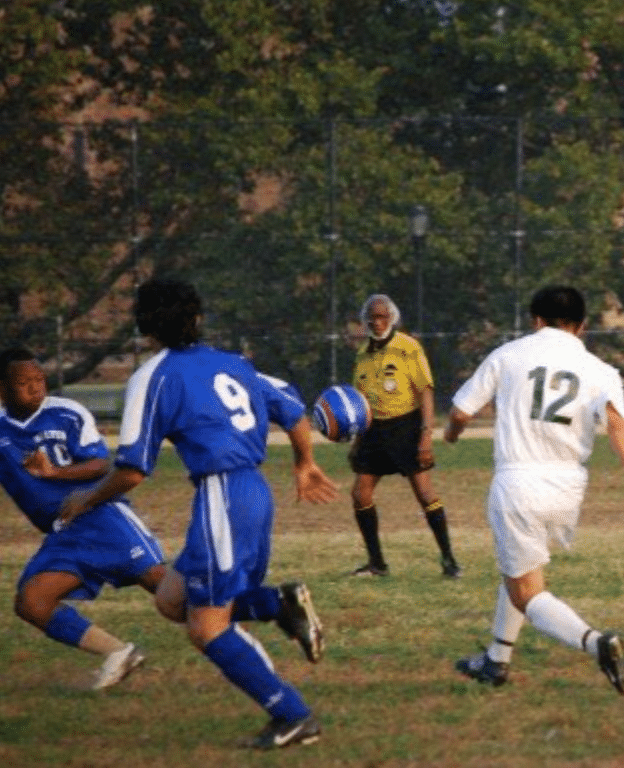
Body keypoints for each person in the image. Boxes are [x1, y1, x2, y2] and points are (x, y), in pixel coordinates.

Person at [56, 278, 339, 750]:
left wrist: (85, 499)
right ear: (198, 317)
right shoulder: (234, 362)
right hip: (251, 492)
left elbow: (132, 470)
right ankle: (279, 605)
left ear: (144, 327)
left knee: (206, 627)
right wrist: (304, 461)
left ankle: (293, 715)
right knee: (171, 599)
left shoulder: (153, 376)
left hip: (222, 499)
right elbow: (291, 406)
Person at [443, 285, 624, 694]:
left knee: (527, 593)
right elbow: (618, 427)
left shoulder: (508, 354)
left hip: (518, 482)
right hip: (567, 486)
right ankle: (496, 660)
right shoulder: (600, 369)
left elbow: (460, 411)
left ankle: (597, 643)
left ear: (536, 320)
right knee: (519, 568)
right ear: (582, 326)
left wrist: (451, 434)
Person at [0, 346, 166, 690]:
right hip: (63, 532)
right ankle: (119, 653)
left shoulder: (66, 414)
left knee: (166, 589)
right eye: (24, 382)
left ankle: (250, 616)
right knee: (32, 602)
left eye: (39, 379)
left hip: (100, 516)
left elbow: (102, 464)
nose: (36, 387)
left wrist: (55, 472)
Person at [347, 293, 460, 578]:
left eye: (382, 316)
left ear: (392, 318)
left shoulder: (408, 347)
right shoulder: (362, 353)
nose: (377, 322)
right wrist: (357, 442)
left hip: (406, 427)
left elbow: (425, 391)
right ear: (365, 321)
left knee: (424, 493)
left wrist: (426, 436)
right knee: (360, 494)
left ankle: (449, 561)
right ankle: (377, 564)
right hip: (373, 431)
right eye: (372, 317)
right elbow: (361, 403)